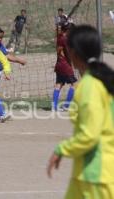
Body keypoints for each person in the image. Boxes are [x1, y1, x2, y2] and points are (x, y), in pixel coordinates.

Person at [47, 25, 114, 199]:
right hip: (84, 174)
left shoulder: (90, 86)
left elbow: (90, 135)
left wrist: (61, 150)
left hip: (97, 177)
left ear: (73, 53)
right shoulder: (100, 81)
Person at [52, 22, 77, 111]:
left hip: (59, 64)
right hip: (65, 65)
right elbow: (68, 53)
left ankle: (54, 106)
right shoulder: (65, 39)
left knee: (59, 84)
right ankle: (66, 106)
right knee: (74, 85)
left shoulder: (60, 37)